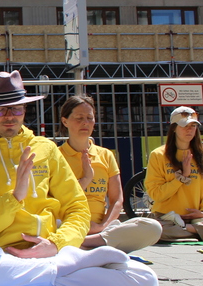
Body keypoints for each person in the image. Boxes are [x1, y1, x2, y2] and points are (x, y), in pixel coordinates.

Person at [0, 71, 158, 286]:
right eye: (0, 110)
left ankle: (39, 280)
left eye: (17, 109)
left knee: (145, 282)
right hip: (1, 258)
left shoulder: (45, 148)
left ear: (25, 109)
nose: (10, 116)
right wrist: (14, 198)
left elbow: (77, 208)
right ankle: (56, 279)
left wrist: (55, 245)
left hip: (46, 257)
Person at [58, 95, 161, 253]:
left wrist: (102, 226)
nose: (85, 122)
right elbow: (56, 200)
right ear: (65, 121)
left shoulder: (106, 155)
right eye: (79, 118)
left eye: (89, 118)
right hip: (66, 224)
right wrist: (86, 179)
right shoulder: (55, 156)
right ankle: (89, 243)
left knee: (153, 228)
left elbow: (117, 200)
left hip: (101, 229)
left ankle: (86, 243)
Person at [145, 106, 203, 242]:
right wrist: (182, 178)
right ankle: (197, 232)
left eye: (193, 126)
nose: (189, 130)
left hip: (195, 219)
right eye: (184, 125)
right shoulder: (158, 155)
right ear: (174, 128)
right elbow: (156, 194)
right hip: (167, 218)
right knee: (153, 229)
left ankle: (188, 230)